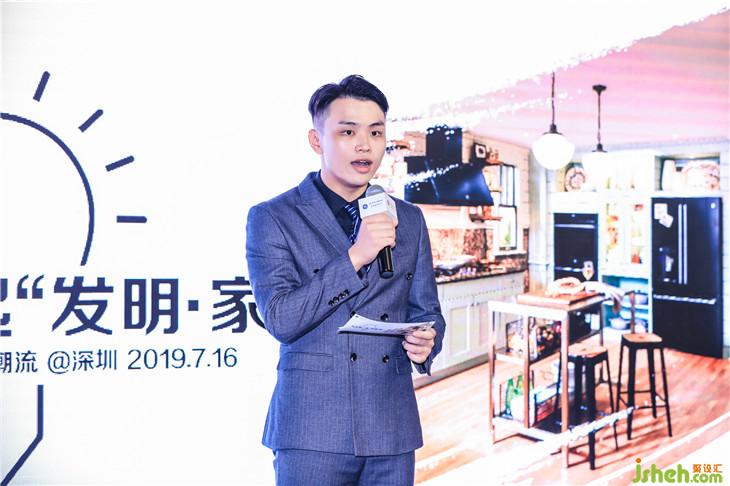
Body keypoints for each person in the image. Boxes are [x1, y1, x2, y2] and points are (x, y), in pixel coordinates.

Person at [246, 74, 446, 485]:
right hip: (311, 426)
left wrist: (428, 341)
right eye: (348, 132)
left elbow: (427, 310)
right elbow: (281, 318)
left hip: (391, 424)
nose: (364, 145)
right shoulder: (273, 217)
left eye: (376, 132)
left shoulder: (408, 218)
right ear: (316, 140)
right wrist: (356, 256)